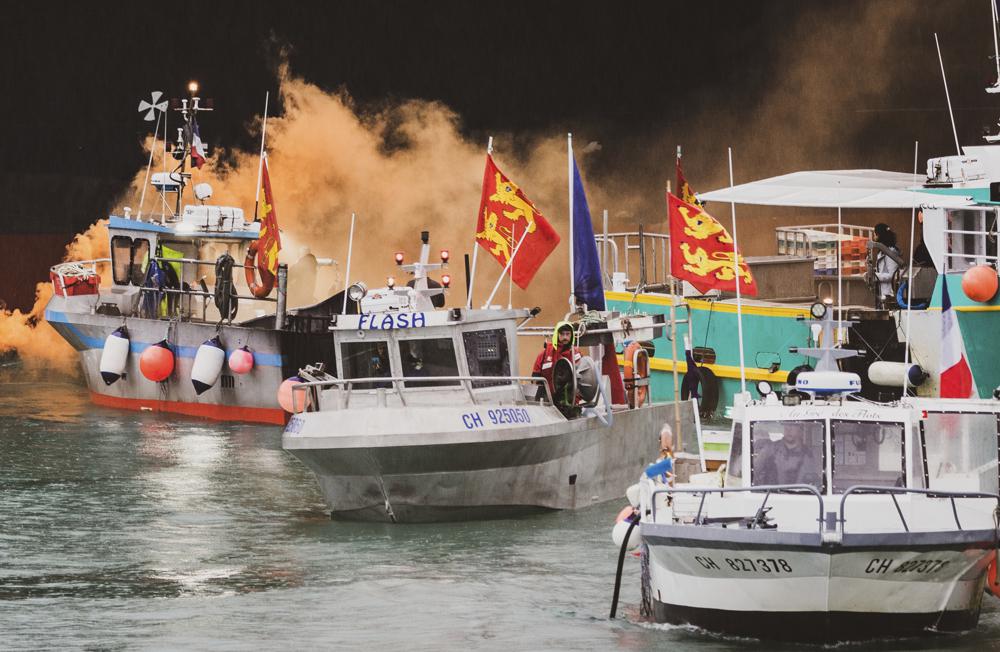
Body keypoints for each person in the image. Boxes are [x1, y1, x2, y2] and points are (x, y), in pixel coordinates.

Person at [754, 423, 821, 488]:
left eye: (793, 425)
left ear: (801, 430)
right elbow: (754, 472)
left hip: (802, 497)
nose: (788, 428)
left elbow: (818, 482)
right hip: (772, 496)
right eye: (786, 425)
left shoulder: (810, 455)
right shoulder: (769, 450)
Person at [532, 321, 582, 405]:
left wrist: (574, 400)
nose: (565, 337)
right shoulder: (545, 354)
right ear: (557, 335)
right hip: (547, 402)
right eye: (562, 334)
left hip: (569, 402)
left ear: (572, 335)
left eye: (567, 334)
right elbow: (535, 378)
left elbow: (582, 380)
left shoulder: (576, 355)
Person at [871, 223, 901, 309]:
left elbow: (893, 275)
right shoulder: (883, 251)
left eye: (875, 234)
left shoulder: (891, 253)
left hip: (889, 293)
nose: (874, 236)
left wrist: (876, 276)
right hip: (883, 293)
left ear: (879, 235)